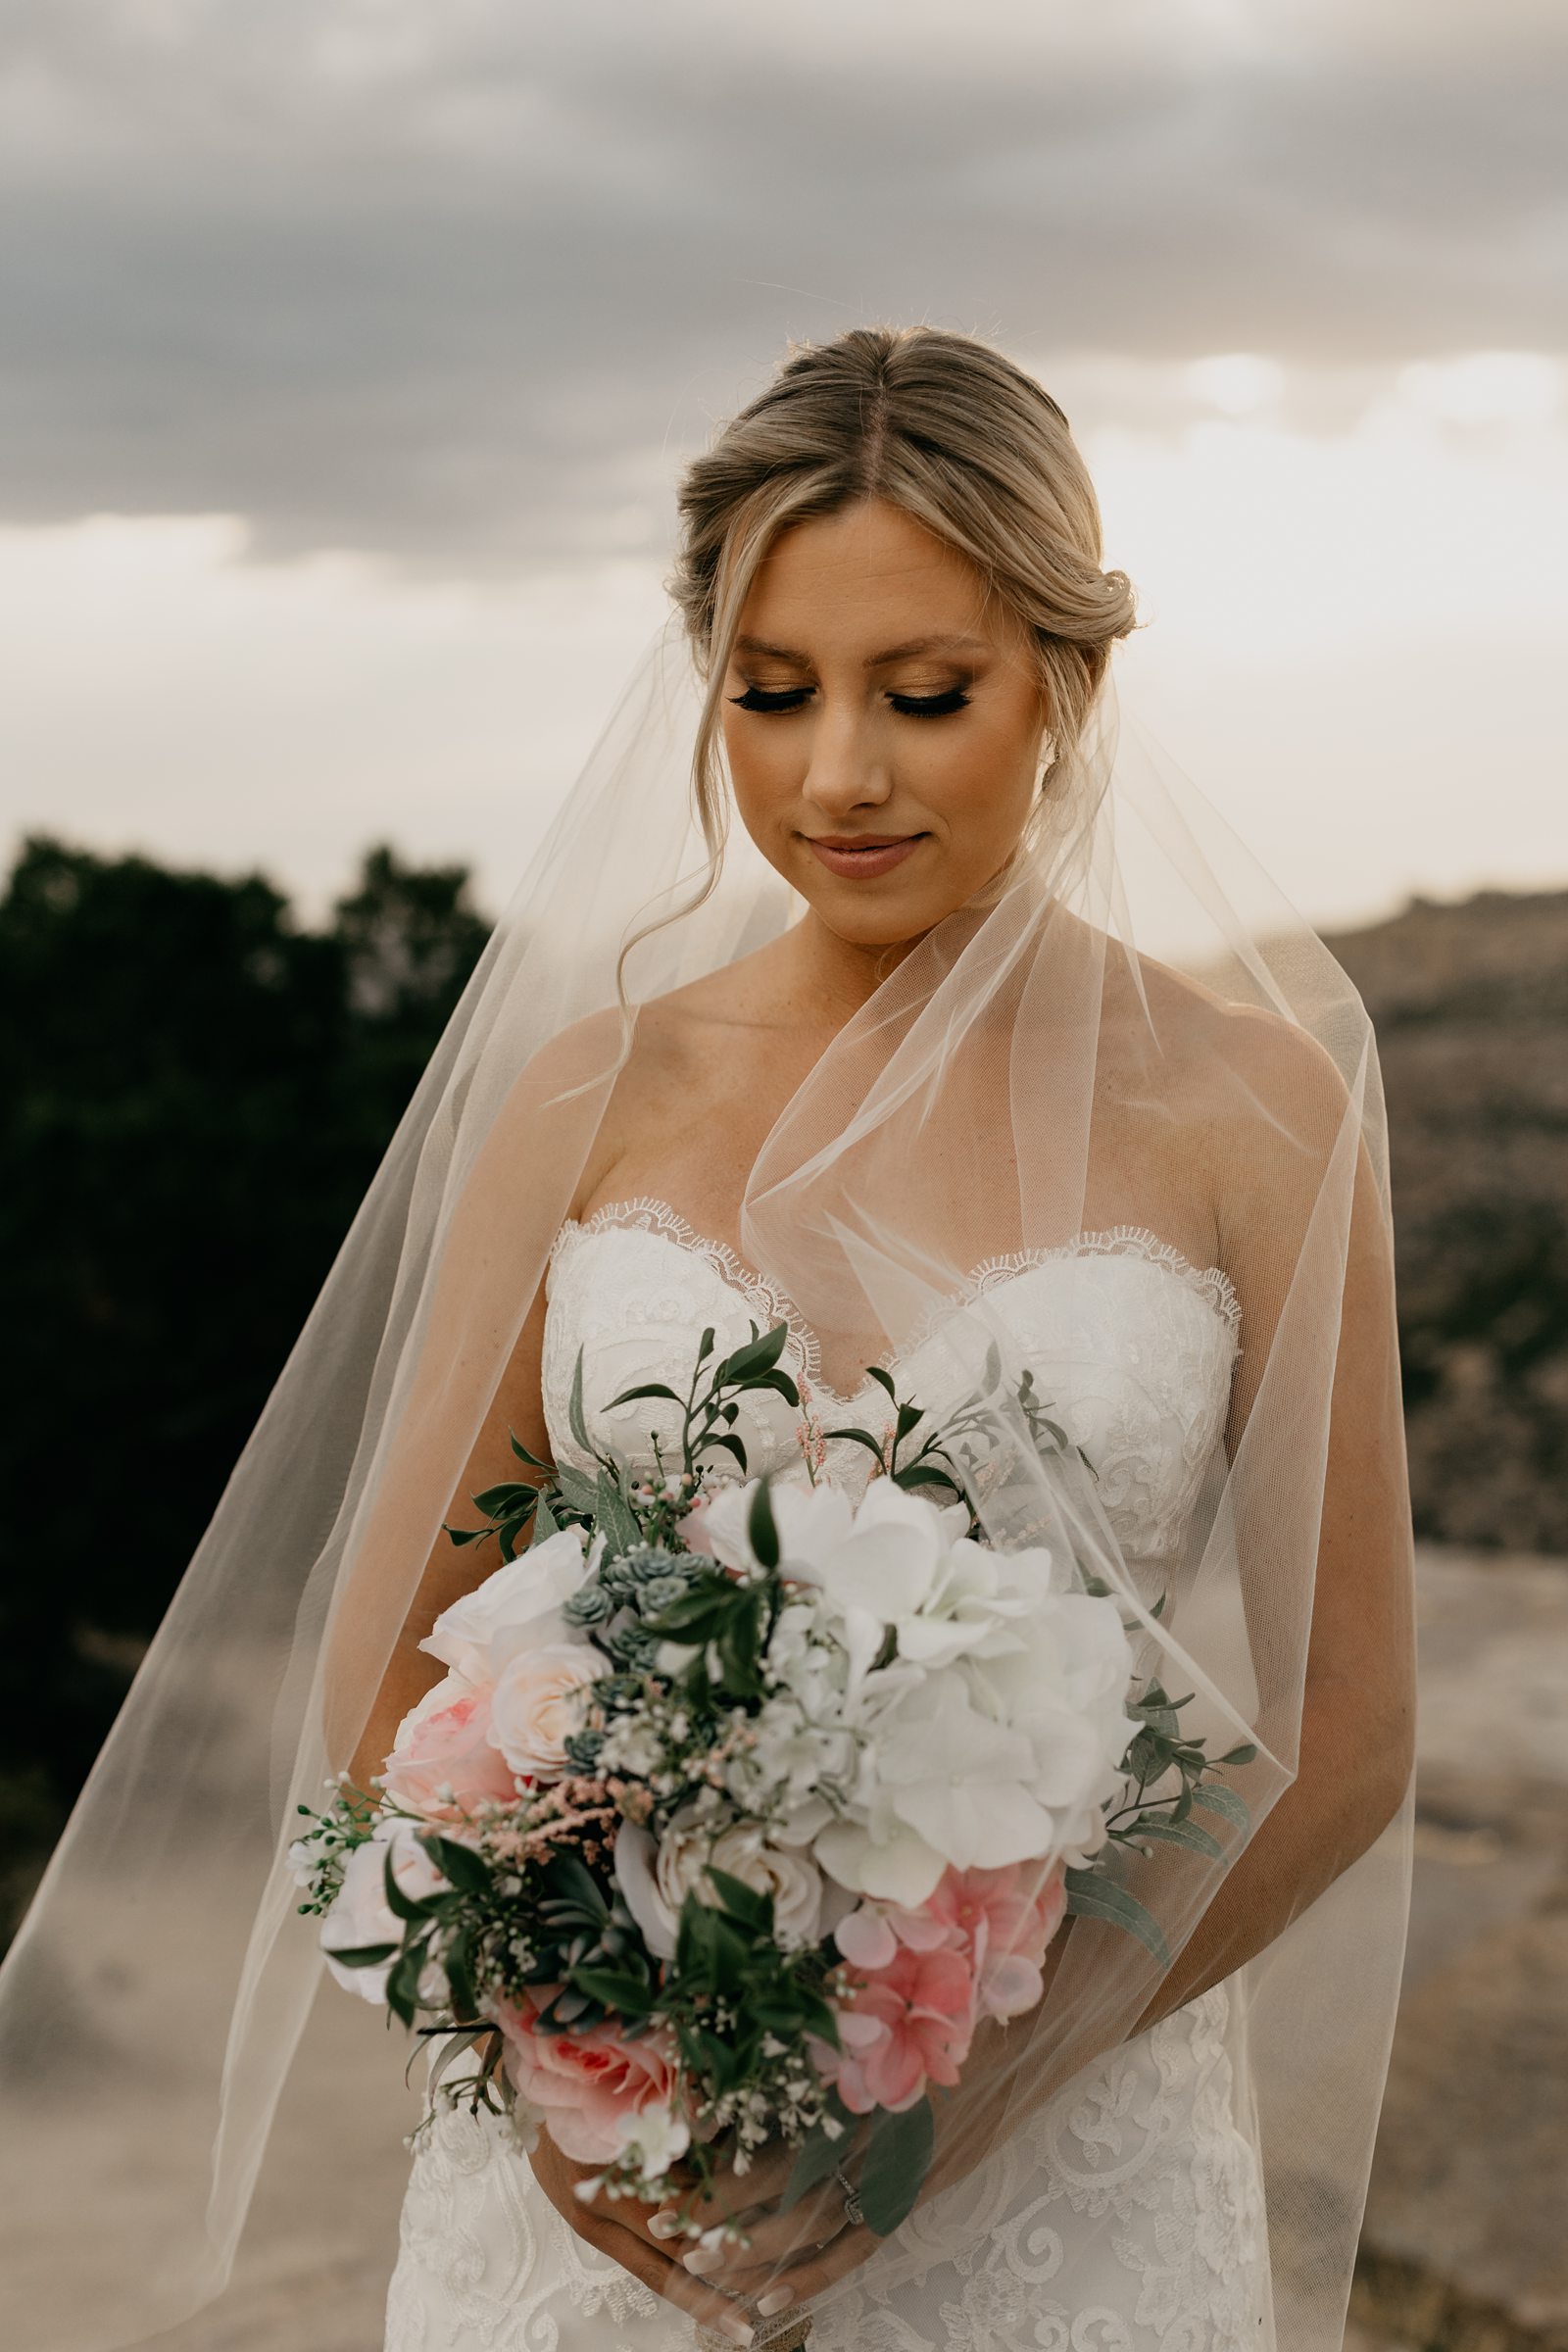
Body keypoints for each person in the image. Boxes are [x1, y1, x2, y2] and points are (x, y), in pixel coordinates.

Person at [0, 325, 1415, 2352]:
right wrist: (579, 2088)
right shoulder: (593, 1092)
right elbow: (392, 1655)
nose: (834, 771)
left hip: (1057, 2182)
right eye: (769, 694)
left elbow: (1347, 1728)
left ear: (1064, 681)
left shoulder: (1258, 1113)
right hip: (599, 2196)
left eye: (921, 695)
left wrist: (981, 2091)